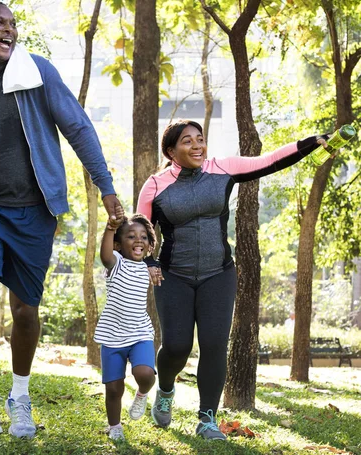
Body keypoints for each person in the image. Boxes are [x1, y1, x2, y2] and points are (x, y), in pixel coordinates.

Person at [0, 1, 123, 440]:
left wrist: (106, 187)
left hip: (35, 209)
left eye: (13, 24)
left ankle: (20, 395)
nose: (9, 30)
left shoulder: (36, 72)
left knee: (25, 310)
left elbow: (77, 127)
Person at [136, 119, 329, 440]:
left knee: (213, 345)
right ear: (171, 151)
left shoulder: (221, 169)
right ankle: (166, 390)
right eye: (188, 142)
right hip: (173, 277)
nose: (197, 146)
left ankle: (207, 419)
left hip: (218, 274)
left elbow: (268, 162)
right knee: (176, 347)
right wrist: (150, 262)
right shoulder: (155, 186)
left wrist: (309, 144)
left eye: (200, 139)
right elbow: (141, 229)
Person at [94, 213, 161, 441]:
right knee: (113, 388)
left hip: (140, 333)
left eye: (143, 236)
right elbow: (104, 254)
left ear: (149, 244)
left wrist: (153, 267)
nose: (138, 240)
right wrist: (111, 227)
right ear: (118, 245)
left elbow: (154, 263)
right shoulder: (115, 263)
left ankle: (142, 394)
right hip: (112, 336)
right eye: (131, 236)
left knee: (144, 373)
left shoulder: (147, 268)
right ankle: (115, 426)